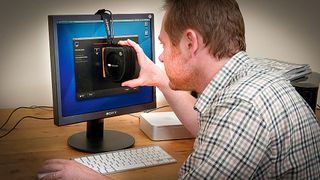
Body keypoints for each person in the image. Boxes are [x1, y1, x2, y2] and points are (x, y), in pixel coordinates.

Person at [39, 0, 320, 179]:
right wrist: (160, 78)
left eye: (164, 45)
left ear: (190, 43)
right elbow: (205, 126)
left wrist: (92, 178)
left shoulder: (242, 108)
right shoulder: (253, 78)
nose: (160, 56)